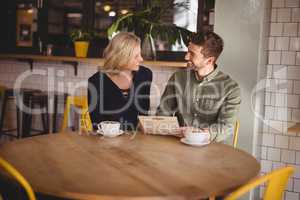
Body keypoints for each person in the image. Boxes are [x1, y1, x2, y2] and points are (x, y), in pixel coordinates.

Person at [156, 31, 241, 144]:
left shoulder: (230, 89)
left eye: (192, 53)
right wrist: (168, 128)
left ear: (209, 60)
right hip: (178, 144)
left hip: (211, 148)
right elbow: (163, 112)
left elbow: (226, 127)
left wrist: (199, 135)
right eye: (188, 51)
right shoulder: (178, 78)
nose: (186, 57)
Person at [88, 32, 152, 131]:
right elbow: (96, 124)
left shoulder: (145, 75)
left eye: (140, 54)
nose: (141, 59)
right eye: (136, 56)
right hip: (106, 140)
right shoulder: (96, 82)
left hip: (136, 139)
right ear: (122, 57)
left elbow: (144, 113)